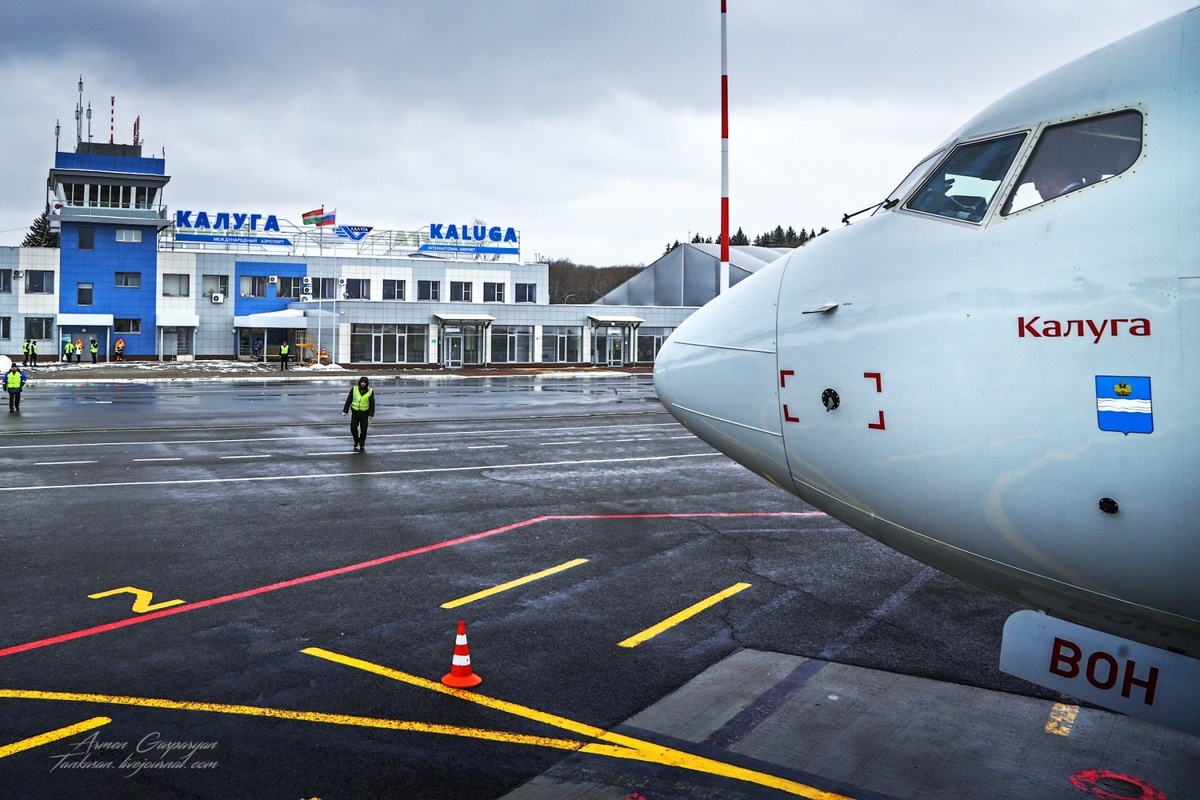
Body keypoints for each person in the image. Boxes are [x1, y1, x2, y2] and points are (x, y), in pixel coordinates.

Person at [342, 376, 375, 451]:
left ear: (367, 384)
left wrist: (371, 414)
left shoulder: (370, 391)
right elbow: (349, 399)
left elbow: (372, 403)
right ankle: (356, 440)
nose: (363, 384)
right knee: (353, 427)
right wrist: (345, 410)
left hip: (364, 413)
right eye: (362, 382)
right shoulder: (354, 389)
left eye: (364, 382)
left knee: (363, 430)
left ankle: (362, 443)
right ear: (359, 382)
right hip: (355, 412)